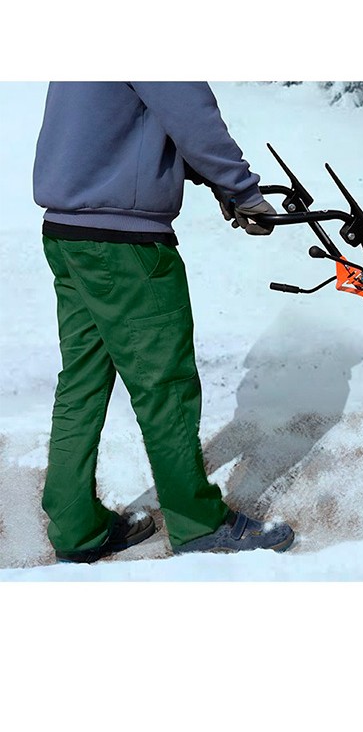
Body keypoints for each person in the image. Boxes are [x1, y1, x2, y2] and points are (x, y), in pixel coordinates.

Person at [33, 81, 295, 564]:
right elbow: (189, 112)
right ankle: (198, 522)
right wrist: (240, 188)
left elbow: (114, 126)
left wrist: (210, 178)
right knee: (166, 387)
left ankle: (74, 525)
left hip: (69, 232)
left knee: (83, 380)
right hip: (125, 245)